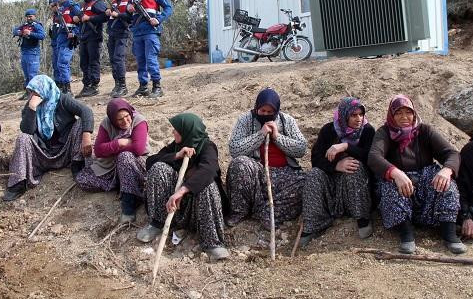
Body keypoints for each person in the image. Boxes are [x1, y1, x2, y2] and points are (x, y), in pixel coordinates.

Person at [368, 94, 466, 255]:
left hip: (424, 178)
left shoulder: (425, 130)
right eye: (398, 113)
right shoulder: (384, 132)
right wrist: (395, 173)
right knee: (390, 186)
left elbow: (451, 154)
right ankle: (406, 235)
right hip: (401, 182)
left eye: (408, 112)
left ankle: (449, 235)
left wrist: (447, 170)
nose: (404, 117)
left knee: (447, 185)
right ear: (391, 115)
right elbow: (374, 157)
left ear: (414, 114)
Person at [136, 113, 229, 261]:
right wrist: (176, 155)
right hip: (174, 208)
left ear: (187, 131)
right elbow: (150, 162)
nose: (173, 132)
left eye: (176, 130)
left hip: (199, 210)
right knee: (158, 168)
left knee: (208, 185)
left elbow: (209, 170)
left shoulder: (207, 146)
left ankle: (212, 242)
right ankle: (156, 222)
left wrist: (183, 190)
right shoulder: (176, 146)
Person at [2, 75, 94, 202]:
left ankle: (77, 165)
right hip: (42, 155)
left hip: (66, 151)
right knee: (23, 138)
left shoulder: (61, 99)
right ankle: (18, 184)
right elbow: (27, 131)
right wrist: (32, 108)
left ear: (46, 88)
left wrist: (87, 136)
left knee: (80, 124)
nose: (33, 95)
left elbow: (86, 112)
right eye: (31, 91)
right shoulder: (29, 106)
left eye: (36, 91)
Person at [226, 88, 307, 228]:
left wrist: (277, 137)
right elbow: (234, 149)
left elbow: (301, 149)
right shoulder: (245, 120)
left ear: (276, 111)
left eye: (270, 112)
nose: (266, 115)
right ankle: (240, 212)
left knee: (307, 183)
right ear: (256, 107)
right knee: (239, 164)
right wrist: (261, 134)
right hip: (256, 174)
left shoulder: (287, 120)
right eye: (262, 111)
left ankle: (268, 213)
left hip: (284, 174)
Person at [301, 97, 376, 246]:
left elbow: (370, 157)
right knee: (313, 174)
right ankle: (314, 224)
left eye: (361, 114)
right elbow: (316, 159)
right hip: (331, 182)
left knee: (355, 166)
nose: (359, 119)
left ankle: (362, 218)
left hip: (355, 187)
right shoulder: (328, 130)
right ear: (344, 116)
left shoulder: (367, 131)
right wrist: (336, 166)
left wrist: (346, 147)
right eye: (353, 115)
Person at [75, 99, 149, 223]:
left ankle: (129, 205)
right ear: (113, 119)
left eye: (126, 116)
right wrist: (119, 143)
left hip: (135, 162)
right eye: (120, 119)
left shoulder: (139, 121)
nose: (125, 121)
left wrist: (110, 148)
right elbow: (98, 150)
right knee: (82, 180)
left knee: (125, 156)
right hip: (111, 164)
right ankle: (122, 183)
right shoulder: (106, 124)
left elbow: (138, 149)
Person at [127, 0, 173, 98]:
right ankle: (143, 87)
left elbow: (168, 8)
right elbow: (128, 13)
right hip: (137, 32)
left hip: (150, 31)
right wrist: (129, 8)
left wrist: (158, 19)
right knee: (140, 60)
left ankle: (157, 87)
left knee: (151, 59)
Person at [74, 0, 108, 98]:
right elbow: (82, 18)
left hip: (94, 36)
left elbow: (105, 17)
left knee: (93, 61)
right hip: (84, 37)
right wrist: (78, 19)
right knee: (84, 62)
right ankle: (86, 85)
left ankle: (94, 86)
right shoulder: (83, 5)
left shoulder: (97, 3)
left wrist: (90, 18)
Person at [105, 0, 133, 98]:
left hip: (122, 33)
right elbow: (111, 17)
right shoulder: (114, 1)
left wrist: (118, 15)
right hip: (112, 33)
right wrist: (108, 13)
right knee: (112, 59)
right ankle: (117, 84)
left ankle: (123, 86)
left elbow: (130, 17)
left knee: (118, 58)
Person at [50, 0, 81, 94]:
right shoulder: (60, 9)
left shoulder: (73, 7)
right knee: (60, 64)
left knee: (62, 63)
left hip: (69, 38)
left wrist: (75, 32)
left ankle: (68, 89)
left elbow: (80, 21)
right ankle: (64, 87)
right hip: (60, 38)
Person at [12, 8, 46, 100]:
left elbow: (42, 36)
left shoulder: (37, 25)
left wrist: (30, 33)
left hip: (33, 52)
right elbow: (14, 30)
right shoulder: (24, 25)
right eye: (27, 17)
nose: (29, 18)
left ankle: (36, 93)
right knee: (26, 74)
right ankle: (28, 92)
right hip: (24, 51)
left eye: (30, 16)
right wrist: (19, 32)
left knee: (32, 74)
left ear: (34, 16)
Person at [47, 0, 61, 78]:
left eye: (54, 5)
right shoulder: (52, 18)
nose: (53, 8)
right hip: (54, 44)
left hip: (62, 44)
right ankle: (58, 83)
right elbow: (51, 35)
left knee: (61, 65)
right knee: (55, 65)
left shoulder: (63, 15)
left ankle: (64, 84)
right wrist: (50, 27)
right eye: (51, 6)